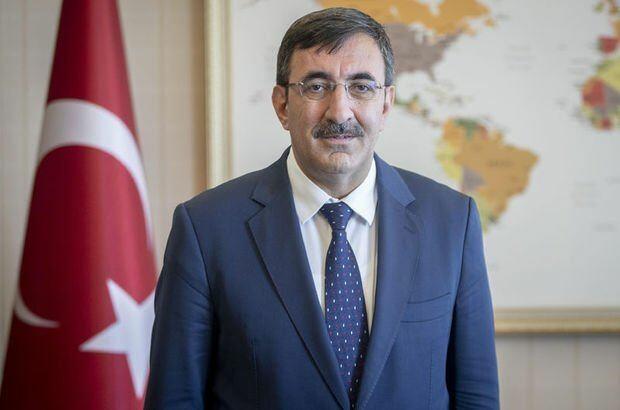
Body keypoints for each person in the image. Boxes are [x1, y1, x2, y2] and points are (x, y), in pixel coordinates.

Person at [145, 7, 499, 410]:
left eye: (361, 86)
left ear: (386, 105)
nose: (340, 111)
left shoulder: (452, 222)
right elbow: (175, 399)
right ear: (282, 105)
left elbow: (476, 396)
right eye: (316, 86)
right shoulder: (205, 229)